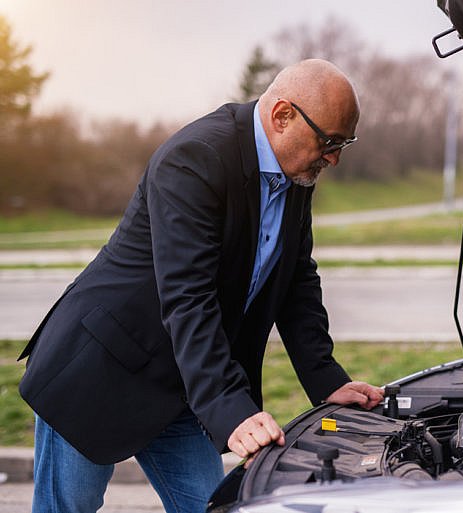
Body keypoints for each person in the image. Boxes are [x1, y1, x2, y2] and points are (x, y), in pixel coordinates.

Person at [18, 59, 384, 513]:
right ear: (282, 116)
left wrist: (327, 380)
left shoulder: (295, 172)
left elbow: (295, 281)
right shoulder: (195, 158)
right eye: (328, 141)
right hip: (102, 368)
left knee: (210, 507)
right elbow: (188, 296)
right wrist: (233, 411)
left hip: (188, 382)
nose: (334, 157)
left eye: (343, 143)